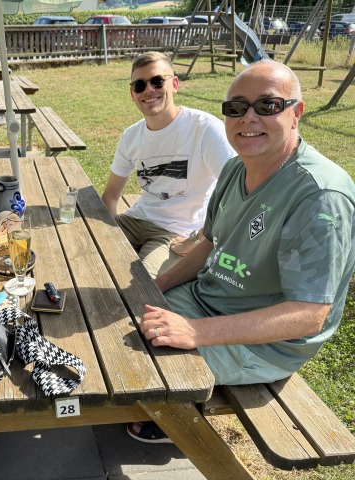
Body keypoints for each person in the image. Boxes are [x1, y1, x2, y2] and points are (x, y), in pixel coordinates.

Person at [128, 60, 355, 443]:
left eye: (267, 105)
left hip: (265, 345)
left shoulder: (320, 196)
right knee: (119, 321)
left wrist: (196, 331)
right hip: (207, 299)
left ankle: (180, 424)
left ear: (296, 112)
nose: (248, 117)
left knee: (140, 361)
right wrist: (157, 286)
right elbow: (209, 243)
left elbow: (309, 315)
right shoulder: (235, 169)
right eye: (236, 107)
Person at [101, 51, 235, 278]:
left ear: (174, 85)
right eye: (140, 85)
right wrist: (109, 236)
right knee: (85, 250)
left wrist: (197, 239)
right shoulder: (131, 136)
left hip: (176, 232)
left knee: (143, 285)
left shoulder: (204, 128)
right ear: (132, 93)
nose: (148, 90)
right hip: (136, 219)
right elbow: (111, 196)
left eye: (157, 81)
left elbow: (236, 195)